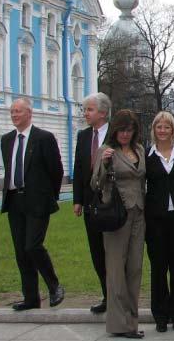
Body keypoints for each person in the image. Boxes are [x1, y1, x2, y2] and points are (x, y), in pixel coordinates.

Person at [0, 97, 65, 312]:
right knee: (21, 252)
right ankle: (31, 298)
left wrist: (49, 196)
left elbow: (56, 170)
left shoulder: (43, 138)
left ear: (29, 113)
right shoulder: (7, 140)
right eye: (12, 112)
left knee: (32, 246)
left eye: (18, 111)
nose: (14, 115)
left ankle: (54, 286)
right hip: (14, 200)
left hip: (37, 201)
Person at [91, 109, 146, 339]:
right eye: (122, 129)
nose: (125, 134)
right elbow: (95, 183)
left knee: (134, 268)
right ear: (115, 130)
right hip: (116, 214)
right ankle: (118, 323)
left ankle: (131, 322)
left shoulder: (140, 149)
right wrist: (104, 164)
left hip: (139, 213)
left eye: (129, 130)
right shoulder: (106, 151)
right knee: (116, 270)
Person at [144, 112, 174, 333]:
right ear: (154, 130)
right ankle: (160, 315)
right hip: (155, 221)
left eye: (166, 127)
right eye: (158, 127)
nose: (162, 131)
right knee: (158, 270)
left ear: (173, 130)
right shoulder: (147, 155)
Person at [72, 92, 111, 313]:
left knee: (113, 252)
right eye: (85, 109)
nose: (85, 113)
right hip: (89, 203)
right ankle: (107, 294)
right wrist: (78, 199)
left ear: (103, 113)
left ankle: (118, 295)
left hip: (112, 203)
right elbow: (79, 169)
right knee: (96, 251)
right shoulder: (83, 136)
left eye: (89, 109)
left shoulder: (117, 135)